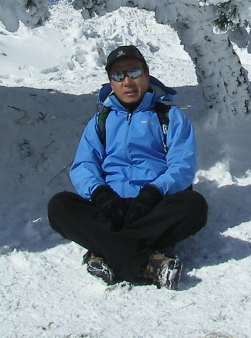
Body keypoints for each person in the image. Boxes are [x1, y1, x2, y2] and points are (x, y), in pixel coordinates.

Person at [47, 45, 207, 290]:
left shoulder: (170, 116)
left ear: (146, 73)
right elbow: (84, 165)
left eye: (133, 72)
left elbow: (182, 166)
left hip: (154, 205)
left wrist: (153, 192)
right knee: (59, 206)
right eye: (118, 76)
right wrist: (100, 194)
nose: (127, 81)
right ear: (111, 82)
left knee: (194, 206)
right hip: (111, 205)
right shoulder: (100, 120)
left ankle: (108, 251)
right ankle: (147, 262)